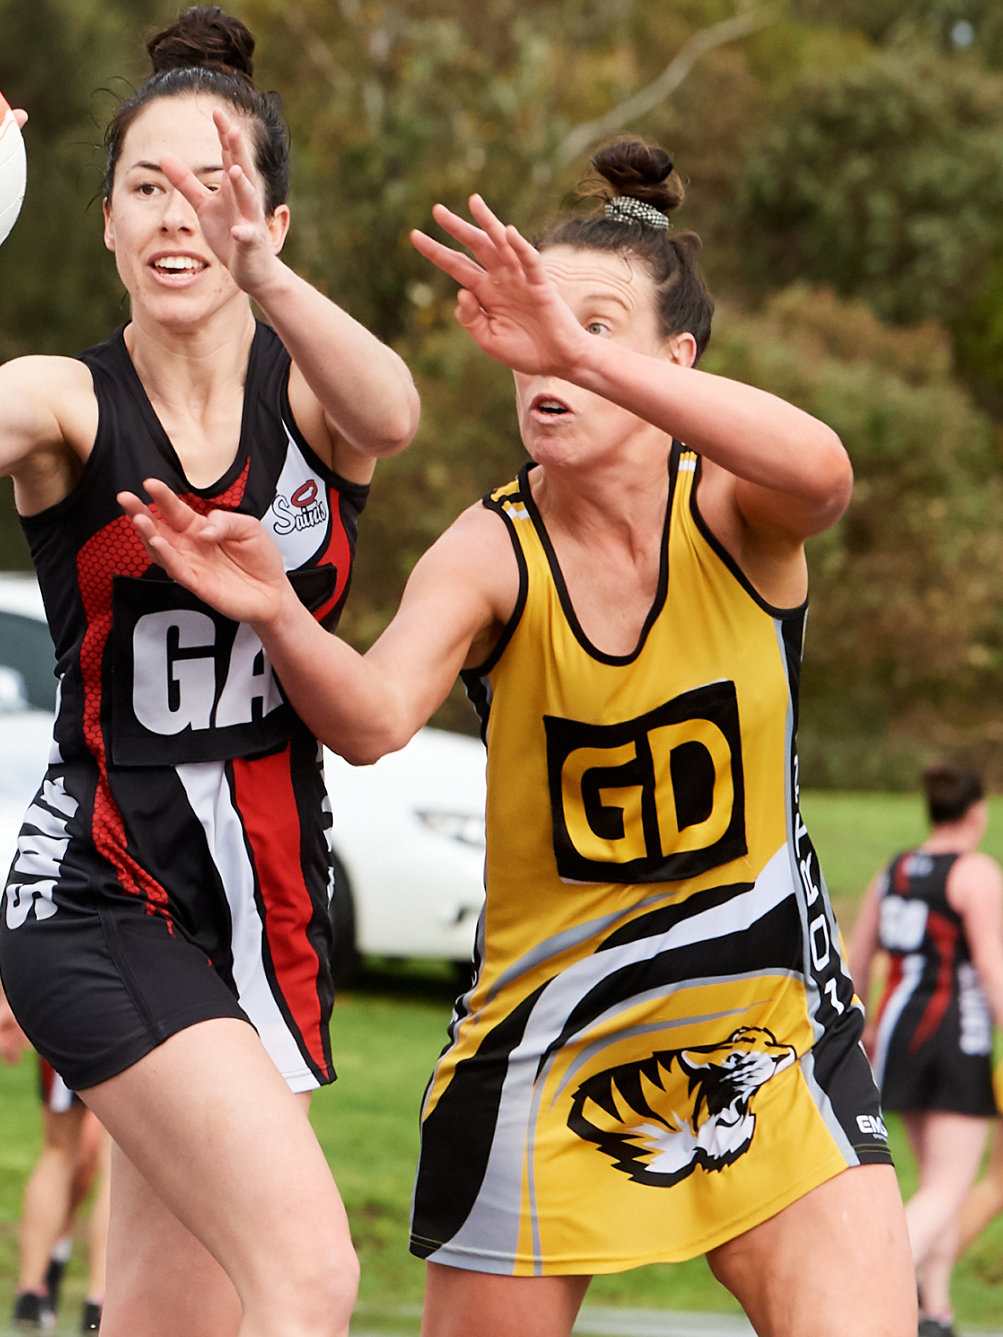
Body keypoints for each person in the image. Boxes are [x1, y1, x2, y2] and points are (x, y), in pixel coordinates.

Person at [120, 136, 913, 1336]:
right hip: (548, 1048)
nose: (546, 358)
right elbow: (375, 721)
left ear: (676, 363)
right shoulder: (494, 549)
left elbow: (828, 470)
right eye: (524, 327)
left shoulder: (739, 512)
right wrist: (278, 611)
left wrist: (573, 340)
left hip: (767, 1028)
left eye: (592, 329)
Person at [0, 6, 420, 1337]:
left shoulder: (307, 400)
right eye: (145, 188)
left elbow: (396, 415)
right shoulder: (70, 401)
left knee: (179, 1317)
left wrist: (271, 283)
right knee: (309, 1276)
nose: (179, 217)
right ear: (105, 223)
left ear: (272, 225)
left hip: (257, 914)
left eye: (215, 190)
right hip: (101, 898)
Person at [847, 764, 1003, 1337]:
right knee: (948, 1186)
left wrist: (859, 1021)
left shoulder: (895, 870)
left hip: (895, 1034)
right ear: (977, 812)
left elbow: (857, 956)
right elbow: (989, 963)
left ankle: (933, 1312)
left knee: (935, 1177)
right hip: (954, 1033)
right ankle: (863, 1287)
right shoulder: (976, 873)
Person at [0, 968, 111, 1332]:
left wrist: (4, 998)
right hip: (112, 996)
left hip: (66, 992)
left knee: (63, 1151)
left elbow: (14, 912)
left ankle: (34, 1292)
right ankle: (96, 1300)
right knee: (111, 1160)